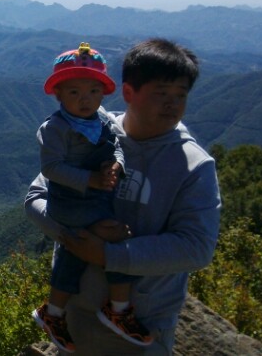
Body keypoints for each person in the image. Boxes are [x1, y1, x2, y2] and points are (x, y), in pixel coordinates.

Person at [26, 38, 221, 355]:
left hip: (141, 331)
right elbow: (35, 198)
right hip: (73, 322)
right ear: (128, 92)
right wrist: (79, 234)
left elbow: (197, 248)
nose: (172, 104)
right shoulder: (90, 132)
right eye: (162, 94)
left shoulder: (194, 166)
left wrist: (107, 254)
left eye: (180, 96)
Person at [31, 42, 152, 353]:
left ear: (103, 93)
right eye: (74, 92)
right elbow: (51, 168)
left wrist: (116, 166)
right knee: (116, 238)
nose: (85, 99)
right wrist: (91, 179)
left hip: (94, 199)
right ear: (58, 94)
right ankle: (119, 307)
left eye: (93, 91)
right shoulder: (55, 128)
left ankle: (54, 312)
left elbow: (115, 146)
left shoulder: (101, 119)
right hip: (70, 203)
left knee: (73, 255)